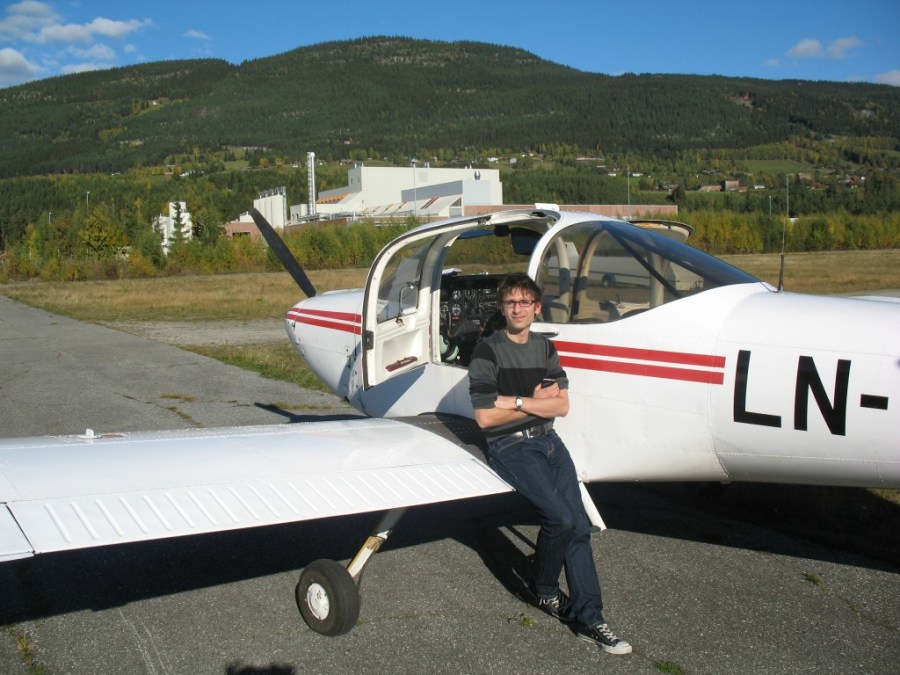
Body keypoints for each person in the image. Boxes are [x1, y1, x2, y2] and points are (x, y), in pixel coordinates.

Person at [468, 272, 631, 656]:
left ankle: (591, 619)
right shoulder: (487, 352)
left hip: (550, 442)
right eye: (511, 302)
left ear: (537, 307)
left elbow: (561, 406)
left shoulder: (545, 349)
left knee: (579, 525)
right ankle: (543, 590)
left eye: (526, 302)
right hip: (511, 447)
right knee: (560, 519)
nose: (518, 309)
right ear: (503, 308)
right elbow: (486, 419)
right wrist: (529, 399)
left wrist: (516, 401)